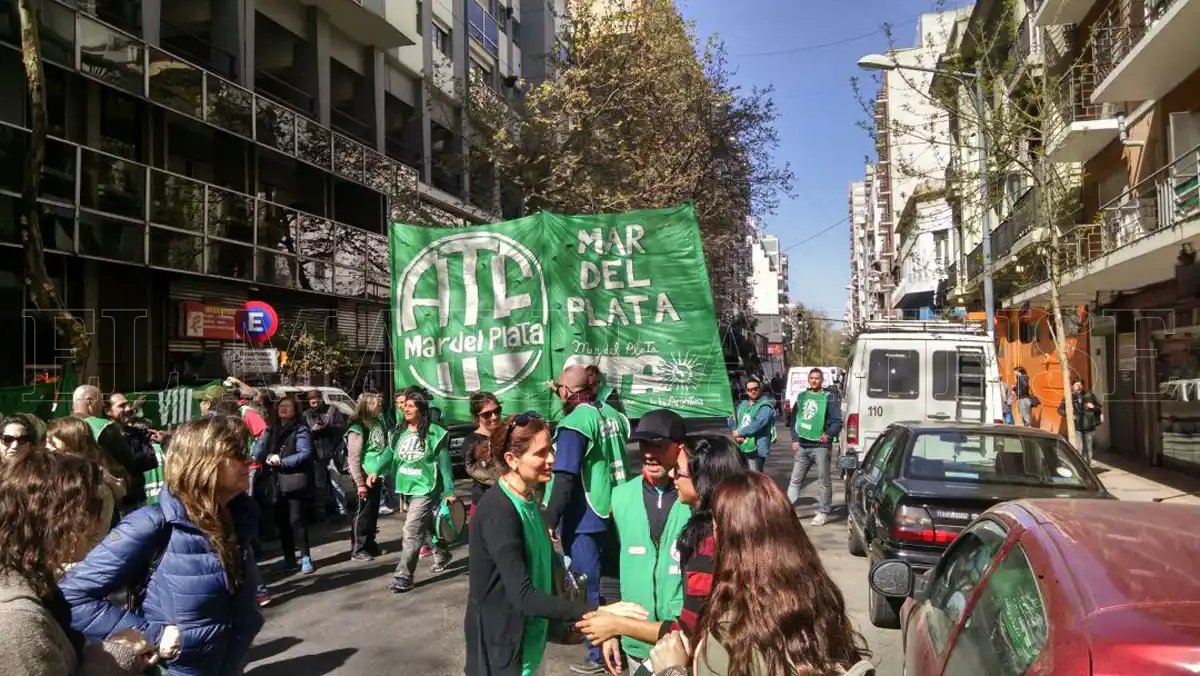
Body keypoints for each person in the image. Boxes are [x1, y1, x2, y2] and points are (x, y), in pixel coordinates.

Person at [61, 416, 266, 676]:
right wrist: (152, 635)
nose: (247, 461)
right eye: (236, 453)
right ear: (201, 462)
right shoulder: (155, 524)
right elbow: (71, 596)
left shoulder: (237, 520)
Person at [465, 412, 642, 676]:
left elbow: (550, 565)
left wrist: (599, 631)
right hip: (502, 651)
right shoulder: (499, 511)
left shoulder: (529, 500)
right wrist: (599, 614)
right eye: (541, 453)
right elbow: (524, 596)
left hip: (530, 643)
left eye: (551, 449)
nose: (552, 459)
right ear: (512, 460)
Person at [649, 472, 873, 676]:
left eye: (715, 525)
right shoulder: (822, 606)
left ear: (726, 537)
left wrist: (671, 670)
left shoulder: (729, 637)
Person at [577, 434, 748, 675]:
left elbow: (690, 630)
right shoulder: (736, 522)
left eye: (678, 472)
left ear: (703, 480)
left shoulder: (710, 542)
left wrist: (617, 624)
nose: (671, 476)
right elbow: (612, 566)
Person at [0, 449, 159, 676]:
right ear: (54, 517)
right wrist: (120, 654)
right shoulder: (16, 621)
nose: (98, 524)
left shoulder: (28, 580)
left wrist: (107, 649)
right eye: (91, 509)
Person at [542, 364, 631, 675]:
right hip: (618, 508)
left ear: (567, 393)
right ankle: (621, 643)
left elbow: (565, 478)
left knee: (587, 586)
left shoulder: (575, 423)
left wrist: (549, 518)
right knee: (614, 584)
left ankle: (597, 655)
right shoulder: (612, 414)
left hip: (585, 515)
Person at [603, 409, 691, 673]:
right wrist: (610, 627)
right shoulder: (620, 497)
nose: (650, 453)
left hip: (683, 642)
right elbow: (609, 569)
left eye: (659, 445)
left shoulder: (697, 499)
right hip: (634, 641)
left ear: (680, 449)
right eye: (644, 444)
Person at [388, 387, 456, 593]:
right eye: (403, 406)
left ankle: (404, 576)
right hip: (407, 486)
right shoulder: (398, 431)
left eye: (410, 406)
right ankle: (442, 552)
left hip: (427, 487)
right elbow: (387, 456)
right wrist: (373, 471)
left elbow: (444, 464)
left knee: (411, 529)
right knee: (424, 526)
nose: (405, 409)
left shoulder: (434, 432)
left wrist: (449, 489)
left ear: (421, 409)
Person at [252, 395, 316, 575]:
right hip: (274, 482)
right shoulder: (271, 429)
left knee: (296, 520)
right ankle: (289, 558)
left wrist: (282, 461)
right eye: (281, 406)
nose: (284, 408)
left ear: (295, 410)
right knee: (281, 521)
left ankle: (305, 557)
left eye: (288, 406)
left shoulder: (300, 429)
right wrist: (264, 438)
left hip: (293, 480)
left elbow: (305, 453)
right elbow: (258, 453)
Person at [46, 417, 128, 548]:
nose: (50, 457)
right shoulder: (57, 478)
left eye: (57, 453)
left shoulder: (97, 487)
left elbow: (90, 537)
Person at [72, 386, 146, 511]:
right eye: (100, 401)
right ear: (90, 401)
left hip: (71, 497)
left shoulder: (59, 427)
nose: (102, 407)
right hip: (104, 500)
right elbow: (128, 463)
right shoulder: (103, 427)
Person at [788, 368, 844, 527]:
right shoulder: (802, 397)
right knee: (795, 481)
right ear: (808, 379)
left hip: (821, 447)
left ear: (822, 380)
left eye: (817, 378)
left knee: (823, 481)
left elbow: (837, 422)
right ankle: (787, 510)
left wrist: (828, 434)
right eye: (811, 378)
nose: (814, 381)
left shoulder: (829, 398)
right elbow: (794, 421)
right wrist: (795, 439)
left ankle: (823, 512)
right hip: (802, 446)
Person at [346, 391, 392, 561]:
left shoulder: (379, 421)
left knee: (373, 512)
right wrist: (359, 482)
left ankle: (370, 545)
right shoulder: (358, 427)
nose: (380, 406)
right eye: (377, 404)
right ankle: (358, 549)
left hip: (377, 473)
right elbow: (354, 457)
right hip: (364, 473)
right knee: (363, 512)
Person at [304, 390, 348, 521]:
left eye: (317, 401)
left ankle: (342, 510)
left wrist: (327, 428)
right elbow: (303, 434)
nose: (315, 405)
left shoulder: (332, 411)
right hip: (316, 455)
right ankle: (320, 513)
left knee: (336, 483)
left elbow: (341, 428)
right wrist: (312, 430)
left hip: (331, 452)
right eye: (312, 402)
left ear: (321, 400)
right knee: (319, 485)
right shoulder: (306, 415)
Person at [463, 391, 503, 521]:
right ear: (476, 417)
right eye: (487, 415)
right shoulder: (471, 441)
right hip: (484, 504)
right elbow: (479, 473)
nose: (494, 417)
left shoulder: (509, 436)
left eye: (497, 411)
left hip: (511, 502)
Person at [729, 377, 775, 472]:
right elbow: (731, 418)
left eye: (755, 389)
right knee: (745, 476)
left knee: (755, 476)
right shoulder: (742, 406)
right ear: (746, 391)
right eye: (750, 390)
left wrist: (740, 432)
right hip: (742, 445)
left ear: (760, 389)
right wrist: (735, 431)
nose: (753, 391)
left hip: (757, 449)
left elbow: (759, 423)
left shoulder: (765, 406)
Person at [1057, 376, 1103, 466]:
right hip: (1077, 427)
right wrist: (1069, 415)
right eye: (1077, 384)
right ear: (1072, 386)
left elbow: (1099, 407)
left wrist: (1093, 407)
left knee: (1089, 449)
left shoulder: (1089, 395)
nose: (1079, 386)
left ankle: (1088, 468)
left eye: (1081, 384)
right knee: (1079, 448)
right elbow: (1060, 409)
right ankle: (1081, 468)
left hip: (1089, 427)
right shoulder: (1069, 396)